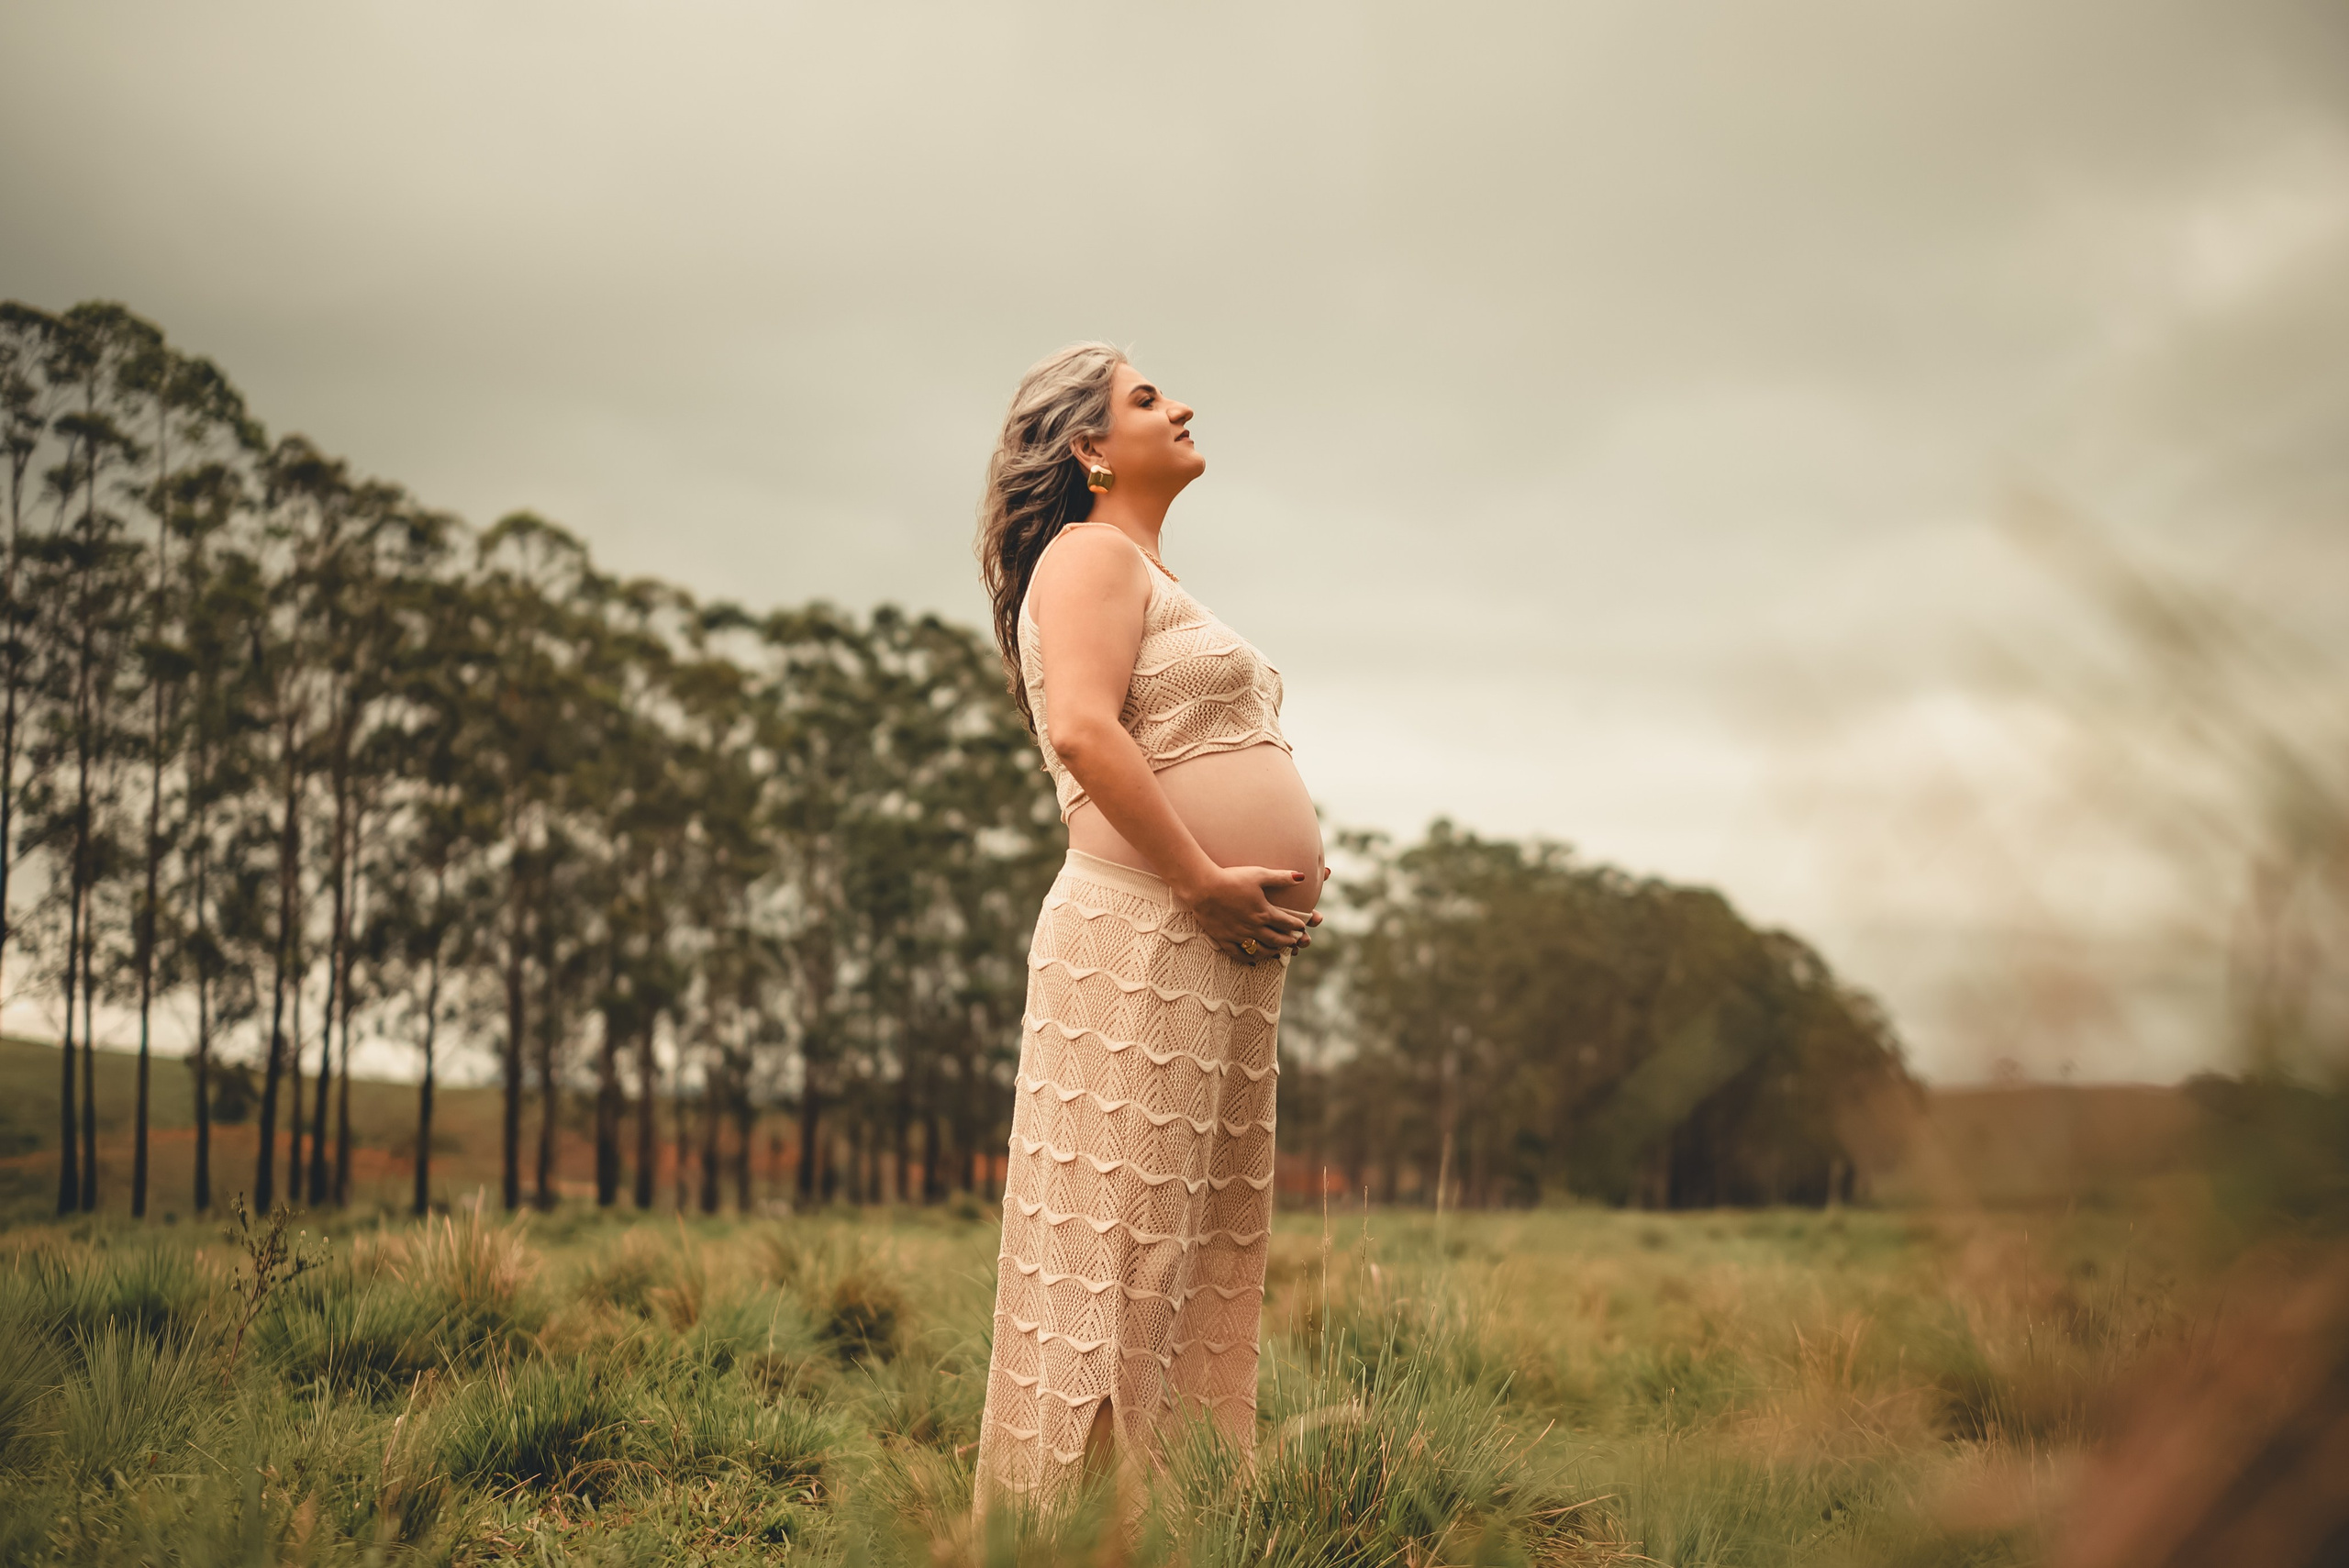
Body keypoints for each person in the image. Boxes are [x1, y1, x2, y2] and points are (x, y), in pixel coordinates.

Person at [971, 343, 1325, 1515]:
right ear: (1088, 451)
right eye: (1143, 398)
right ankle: (1064, 1531)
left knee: (1187, 1264)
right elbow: (1079, 728)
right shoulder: (1085, 555)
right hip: (1142, 937)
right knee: (1112, 1264)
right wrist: (1201, 880)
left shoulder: (1144, 571)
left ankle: (1163, 1527)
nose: (1177, 406)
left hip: (1206, 958)